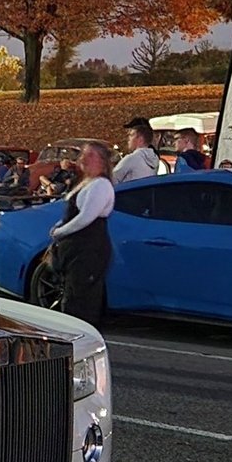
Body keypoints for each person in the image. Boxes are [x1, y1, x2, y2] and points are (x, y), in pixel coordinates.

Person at [48, 142, 115, 325]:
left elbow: (86, 217)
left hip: (89, 250)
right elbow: (72, 214)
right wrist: (59, 226)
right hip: (75, 250)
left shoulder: (101, 185)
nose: (84, 159)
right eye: (83, 154)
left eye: (90, 155)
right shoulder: (85, 183)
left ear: (101, 161)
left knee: (82, 300)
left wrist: (60, 232)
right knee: (72, 295)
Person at [114, 118, 163, 184]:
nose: (128, 139)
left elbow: (112, 179)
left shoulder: (131, 159)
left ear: (140, 139)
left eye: (131, 135)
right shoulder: (155, 159)